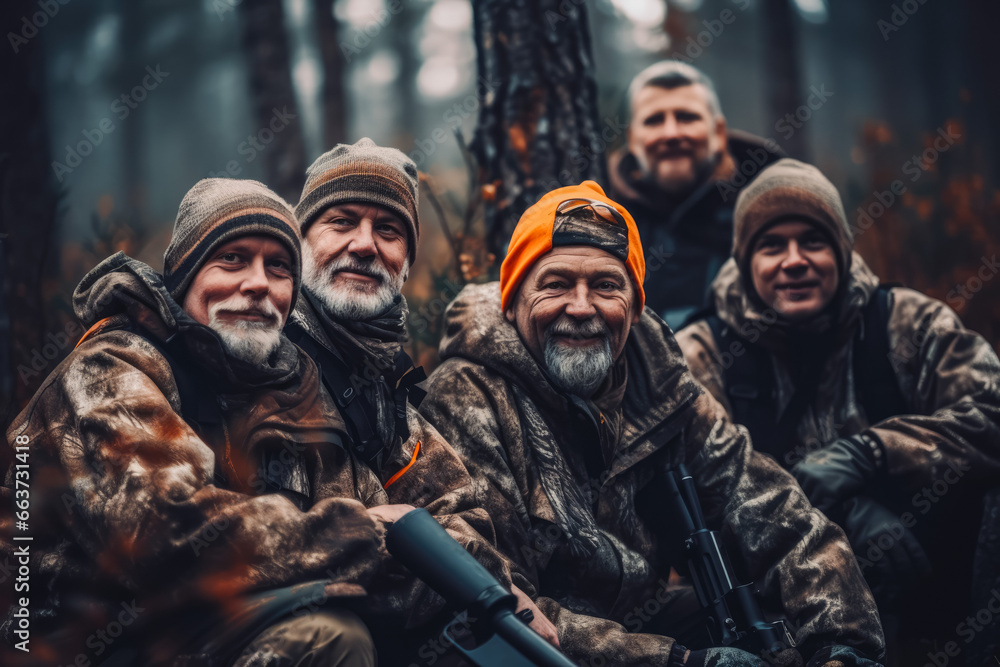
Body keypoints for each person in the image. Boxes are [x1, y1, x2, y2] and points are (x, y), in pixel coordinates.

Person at [418, 180, 885, 666]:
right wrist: (678, 662)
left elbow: (776, 512)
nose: (581, 308)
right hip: (540, 647)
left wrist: (842, 645)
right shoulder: (466, 396)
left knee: (781, 632)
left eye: (606, 286)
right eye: (555, 284)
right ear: (513, 302)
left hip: (645, 619)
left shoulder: (663, 389)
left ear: (636, 307)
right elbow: (502, 602)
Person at [1, 178, 388, 666]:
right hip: (64, 646)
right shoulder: (110, 368)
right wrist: (358, 535)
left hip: (191, 633)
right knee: (329, 637)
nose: (257, 283)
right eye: (232, 258)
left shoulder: (295, 393)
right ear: (184, 277)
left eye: (279, 267)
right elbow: (159, 534)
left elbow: (376, 517)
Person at [675, 159, 1000, 664]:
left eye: (813, 241)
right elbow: (688, 485)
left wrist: (870, 454)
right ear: (743, 260)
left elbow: (992, 412)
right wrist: (837, 511)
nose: (794, 260)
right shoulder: (701, 352)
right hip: (780, 611)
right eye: (770, 246)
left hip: (939, 595)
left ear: (843, 253)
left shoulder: (908, 322)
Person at [285, 138, 557, 661]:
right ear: (297, 241)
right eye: (341, 221)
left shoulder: (386, 380)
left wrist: (497, 591)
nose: (365, 245)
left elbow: (460, 511)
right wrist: (389, 530)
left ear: (407, 261)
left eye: (388, 230)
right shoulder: (261, 350)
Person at [608, 60, 782, 330]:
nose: (671, 133)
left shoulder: (774, 212)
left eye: (687, 117)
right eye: (654, 120)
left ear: (719, 133)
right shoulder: (602, 222)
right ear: (632, 140)